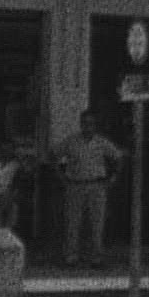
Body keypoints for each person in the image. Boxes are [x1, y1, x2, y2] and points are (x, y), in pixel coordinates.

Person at [51, 110, 126, 268]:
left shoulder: (102, 142)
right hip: (75, 184)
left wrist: (113, 177)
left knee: (97, 223)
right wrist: (61, 177)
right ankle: (71, 256)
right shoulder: (71, 141)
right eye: (85, 123)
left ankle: (96, 257)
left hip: (96, 185)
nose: (87, 127)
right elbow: (54, 155)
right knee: (73, 222)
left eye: (91, 124)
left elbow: (118, 157)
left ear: (95, 125)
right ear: (81, 124)